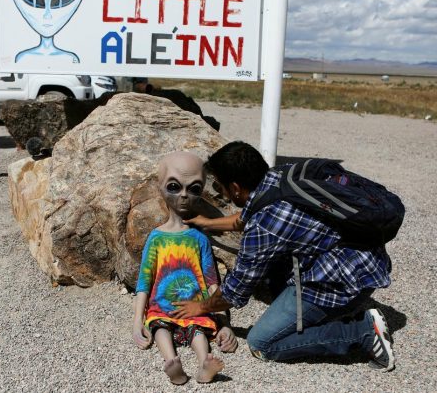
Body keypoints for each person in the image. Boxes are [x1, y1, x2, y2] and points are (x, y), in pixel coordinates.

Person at [171, 141, 396, 371]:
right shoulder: (278, 177)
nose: (222, 193)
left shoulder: (265, 224)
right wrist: (208, 223)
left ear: (236, 187)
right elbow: (246, 218)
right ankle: (319, 314)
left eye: (221, 188)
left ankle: (363, 332)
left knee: (263, 343)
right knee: (272, 274)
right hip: (364, 259)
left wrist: (200, 308)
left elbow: (235, 291)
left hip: (346, 280)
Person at [132, 151, 237, 385]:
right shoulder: (156, 237)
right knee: (160, 327)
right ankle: (172, 363)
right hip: (162, 307)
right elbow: (144, 280)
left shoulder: (199, 238)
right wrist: (138, 320)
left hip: (196, 308)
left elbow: (212, 283)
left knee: (198, 330)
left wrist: (224, 323)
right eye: (174, 187)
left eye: (194, 189)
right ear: (159, 187)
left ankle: (204, 364)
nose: (183, 196)